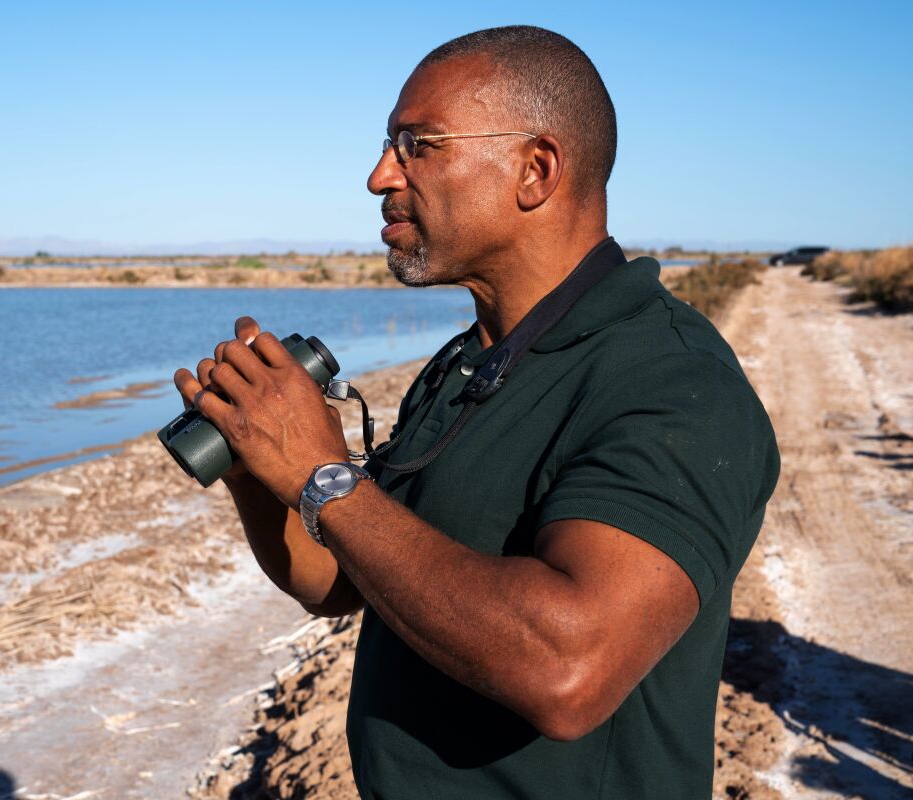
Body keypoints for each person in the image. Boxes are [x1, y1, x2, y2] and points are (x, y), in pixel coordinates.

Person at [173, 25, 780, 799]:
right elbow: (338, 579)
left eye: (417, 144)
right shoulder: (471, 361)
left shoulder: (676, 385)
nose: (376, 176)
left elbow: (568, 668)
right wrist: (261, 461)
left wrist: (324, 474)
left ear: (536, 169)